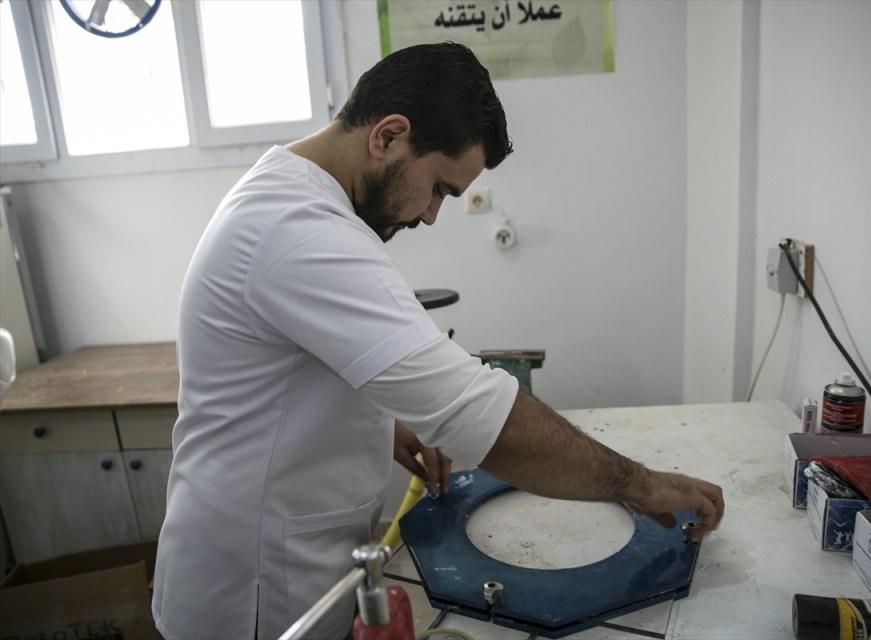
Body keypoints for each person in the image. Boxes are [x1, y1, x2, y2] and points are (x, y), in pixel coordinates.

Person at [152, 42, 724, 639]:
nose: (430, 216)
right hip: (254, 597)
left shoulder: (292, 198)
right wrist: (640, 484)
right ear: (388, 136)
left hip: (281, 570)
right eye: (440, 189)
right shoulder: (299, 232)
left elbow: (291, 376)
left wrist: (381, 424)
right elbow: (480, 416)